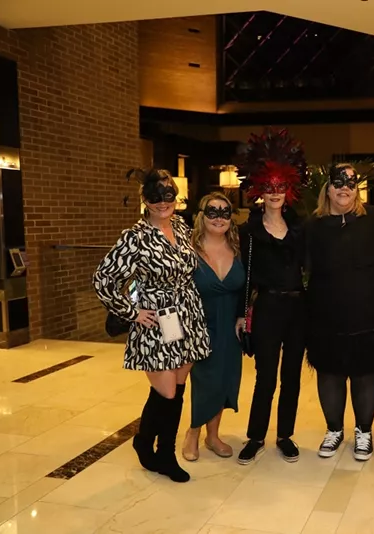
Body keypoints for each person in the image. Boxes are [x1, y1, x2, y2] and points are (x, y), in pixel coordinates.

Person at [93, 168, 210, 483]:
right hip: (156, 322)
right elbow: (103, 279)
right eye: (155, 198)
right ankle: (155, 448)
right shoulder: (135, 236)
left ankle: (156, 449)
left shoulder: (182, 228)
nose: (163, 203)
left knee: (178, 388)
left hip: (187, 317)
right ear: (145, 199)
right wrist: (131, 312)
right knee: (167, 391)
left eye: (168, 196)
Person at [305, 164, 374, 462]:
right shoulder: (313, 225)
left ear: (358, 189)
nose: (345, 188)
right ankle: (334, 430)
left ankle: (363, 432)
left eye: (351, 184)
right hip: (325, 310)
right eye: (338, 183)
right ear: (328, 188)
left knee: (365, 373)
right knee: (329, 373)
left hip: (368, 309)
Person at [235, 128, 308, 465]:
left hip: (298, 309)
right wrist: (241, 313)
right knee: (265, 377)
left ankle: (285, 435)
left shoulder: (300, 228)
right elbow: (242, 278)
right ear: (260, 190)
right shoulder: (249, 231)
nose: (276, 193)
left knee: (291, 376)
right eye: (270, 187)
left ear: (289, 190)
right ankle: (256, 436)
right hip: (266, 308)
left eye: (281, 187)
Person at [181, 192, 245, 462]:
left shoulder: (239, 249)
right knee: (204, 379)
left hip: (230, 326)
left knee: (226, 378)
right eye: (212, 212)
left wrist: (243, 315)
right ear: (201, 216)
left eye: (225, 212)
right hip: (199, 325)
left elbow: (247, 287)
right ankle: (193, 432)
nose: (219, 218)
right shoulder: (187, 249)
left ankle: (213, 434)